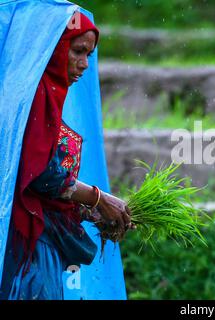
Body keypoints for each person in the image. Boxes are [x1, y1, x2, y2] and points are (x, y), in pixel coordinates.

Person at [0, 11, 133, 300]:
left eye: (89, 54)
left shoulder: (49, 95)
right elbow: (41, 174)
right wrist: (99, 198)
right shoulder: (35, 95)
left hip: (40, 234)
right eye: (78, 51)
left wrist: (88, 210)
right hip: (29, 240)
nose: (84, 64)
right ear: (54, 47)